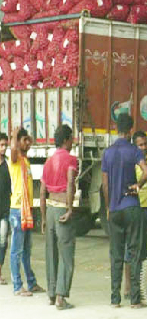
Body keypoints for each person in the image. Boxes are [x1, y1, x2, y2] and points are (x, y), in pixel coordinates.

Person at [101, 113, 147, 308]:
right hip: (131, 207)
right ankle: (135, 299)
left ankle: (115, 299)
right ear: (130, 130)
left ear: (116, 129)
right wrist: (138, 184)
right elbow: (146, 172)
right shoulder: (134, 151)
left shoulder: (108, 153)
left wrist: (108, 206)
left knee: (116, 254)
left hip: (114, 208)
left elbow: (105, 185)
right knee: (135, 252)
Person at [40, 125, 78, 310]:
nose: (73, 142)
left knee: (51, 253)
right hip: (63, 208)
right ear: (66, 140)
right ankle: (61, 298)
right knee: (66, 254)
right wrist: (70, 208)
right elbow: (70, 182)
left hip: (50, 208)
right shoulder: (71, 159)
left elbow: (42, 191)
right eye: (72, 138)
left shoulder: (48, 161)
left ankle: (52, 293)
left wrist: (43, 217)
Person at [8, 127, 44, 297]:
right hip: (17, 210)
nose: (28, 143)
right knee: (17, 250)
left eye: (29, 140)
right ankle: (17, 286)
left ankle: (31, 282)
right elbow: (13, 150)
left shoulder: (25, 161)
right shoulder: (14, 159)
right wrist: (14, 136)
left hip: (26, 210)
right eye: (25, 140)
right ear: (18, 142)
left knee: (26, 250)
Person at [130, 131, 147, 297]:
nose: (144, 147)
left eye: (145, 144)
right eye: (140, 144)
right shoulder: (133, 165)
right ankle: (136, 284)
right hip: (138, 209)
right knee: (138, 249)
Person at [0, 133, 9, 286]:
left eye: (5, 145)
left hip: (5, 209)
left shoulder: (8, 164)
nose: (3, 148)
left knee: (2, 240)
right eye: (1, 145)